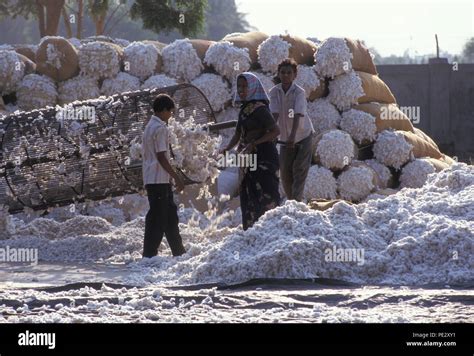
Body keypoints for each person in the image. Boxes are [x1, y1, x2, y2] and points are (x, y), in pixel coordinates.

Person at [221, 72, 281, 230]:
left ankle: (269, 229)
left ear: (253, 87)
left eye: (244, 86)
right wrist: (227, 148)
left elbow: (275, 131)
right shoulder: (244, 110)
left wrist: (255, 143)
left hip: (263, 156)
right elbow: (238, 134)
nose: (241, 90)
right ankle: (252, 230)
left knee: (265, 193)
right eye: (239, 86)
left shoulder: (260, 110)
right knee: (249, 192)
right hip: (248, 157)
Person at [141, 94, 186, 257]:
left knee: (170, 216)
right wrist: (176, 176)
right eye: (170, 112)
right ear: (164, 110)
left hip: (153, 179)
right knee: (157, 219)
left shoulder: (149, 126)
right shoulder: (160, 128)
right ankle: (149, 255)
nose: (171, 116)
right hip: (158, 180)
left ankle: (179, 251)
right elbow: (161, 156)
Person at [269, 58, 314, 202]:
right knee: (285, 173)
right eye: (283, 72)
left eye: (289, 73)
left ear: (295, 75)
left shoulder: (299, 92)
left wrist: (292, 137)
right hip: (285, 138)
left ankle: (297, 203)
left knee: (299, 169)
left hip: (302, 135)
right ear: (278, 74)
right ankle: (292, 202)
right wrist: (272, 133)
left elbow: (297, 114)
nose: (286, 75)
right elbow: (274, 114)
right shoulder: (274, 92)